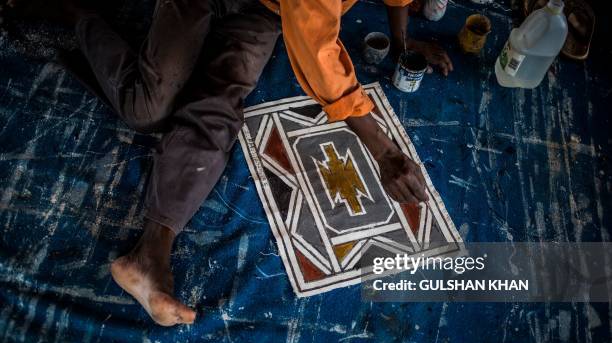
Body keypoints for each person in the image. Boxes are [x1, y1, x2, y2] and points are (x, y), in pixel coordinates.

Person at [2, 0, 282, 326]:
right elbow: (325, 70)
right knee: (147, 110)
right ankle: (76, 12)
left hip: (265, 10)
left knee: (219, 106)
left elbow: (319, 39)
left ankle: (150, 256)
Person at [260, 0, 453, 206]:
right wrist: (385, 152)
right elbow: (320, 59)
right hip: (264, 10)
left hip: (322, 13)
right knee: (230, 92)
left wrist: (401, 42)